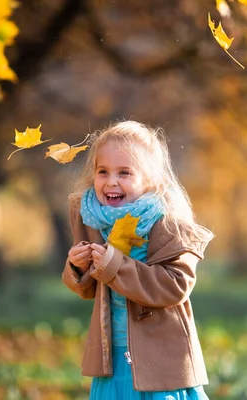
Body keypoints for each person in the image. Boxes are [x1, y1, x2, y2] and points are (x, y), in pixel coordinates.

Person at [62, 120, 214, 399]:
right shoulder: (92, 219)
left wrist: (114, 265)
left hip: (161, 361)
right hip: (114, 355)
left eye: (125, 172)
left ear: (149, 180)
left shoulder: (168, 222)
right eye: (103, 171)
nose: (111, 181)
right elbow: (88, 290)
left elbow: (176, 285)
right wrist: (77, 267)